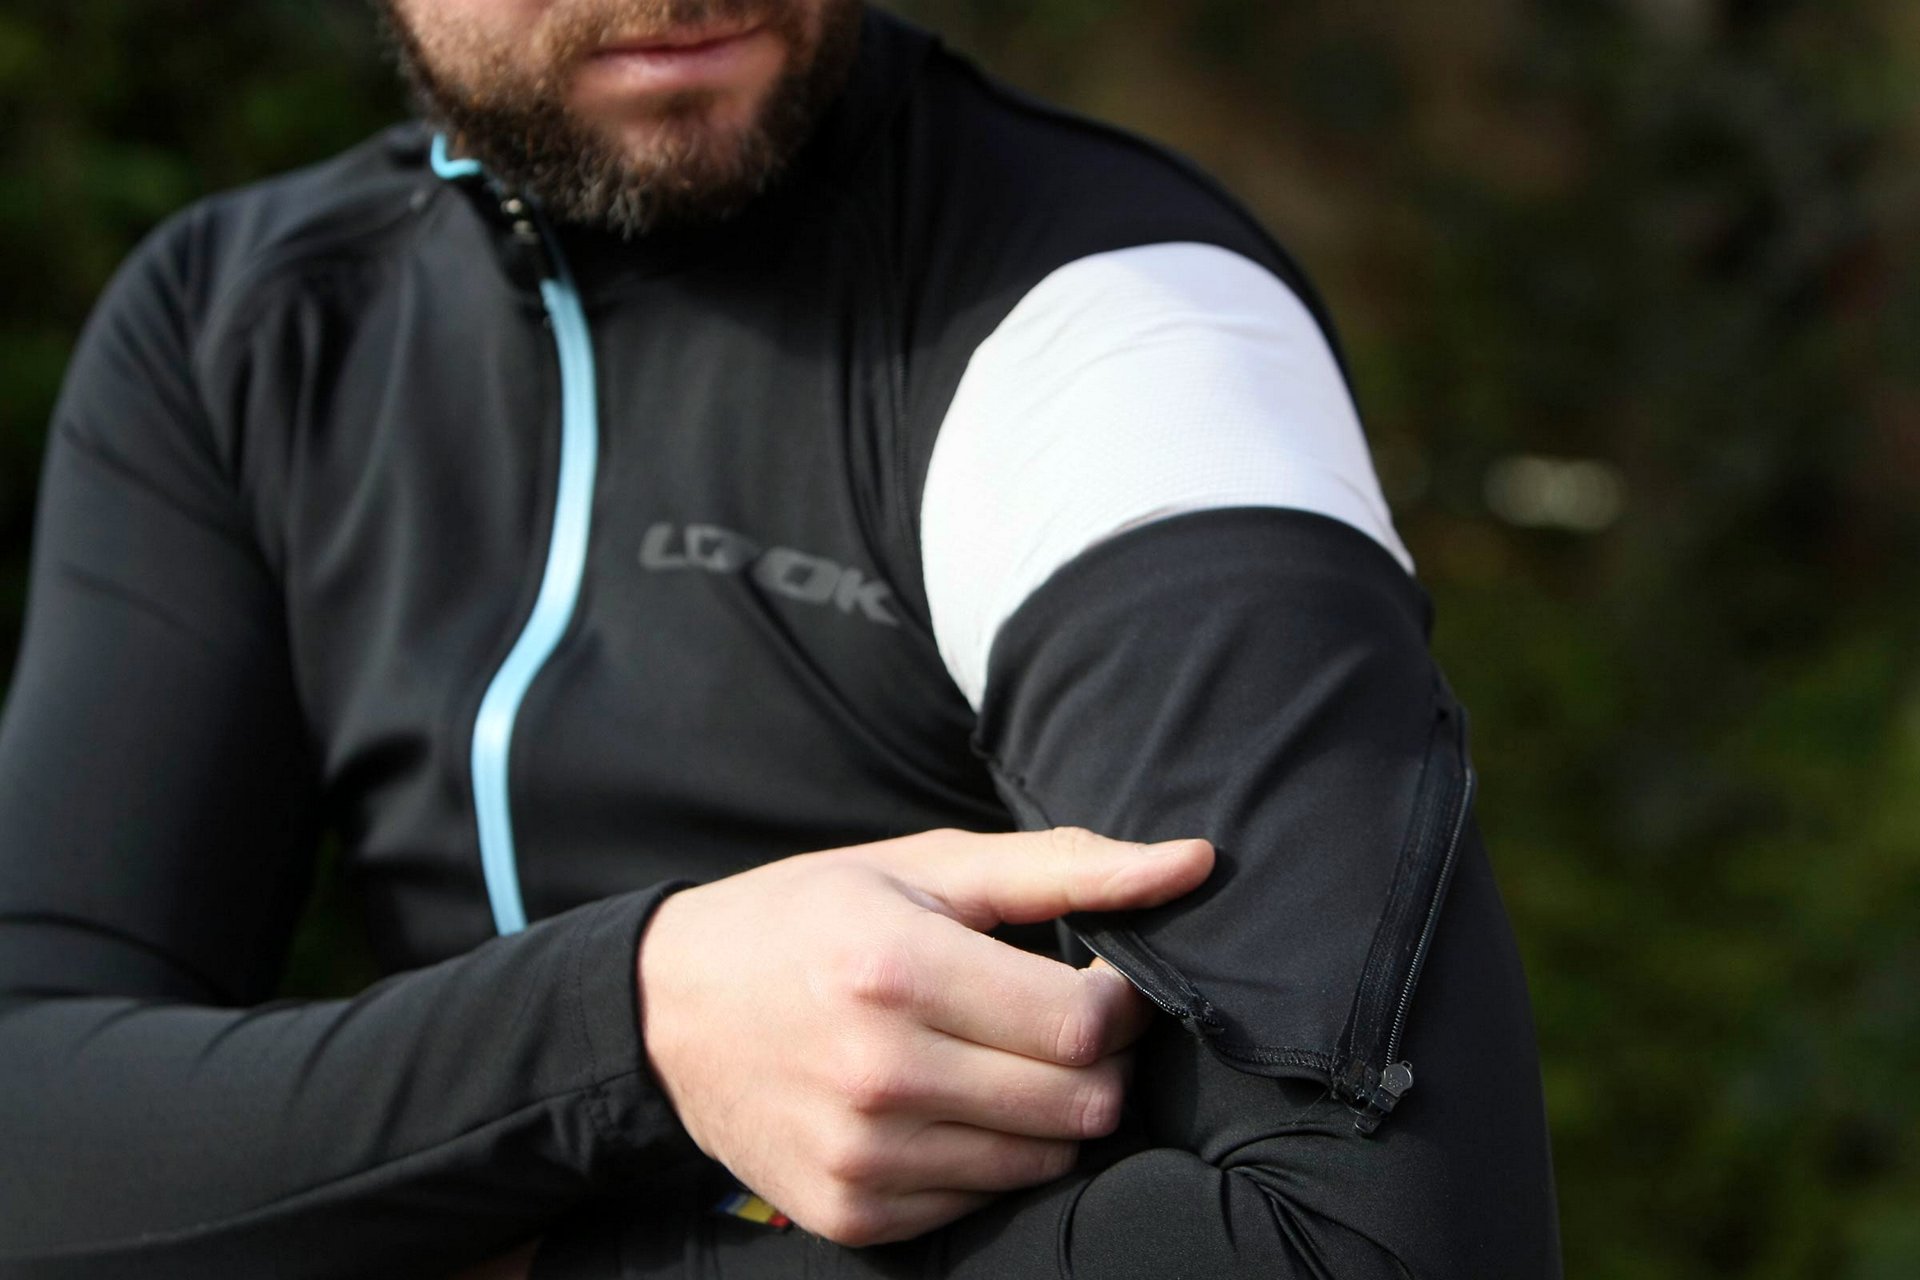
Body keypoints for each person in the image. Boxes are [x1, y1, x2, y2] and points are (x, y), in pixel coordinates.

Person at [0, 0, 1563, 1275]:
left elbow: (1378, 1251)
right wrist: (638, 1024)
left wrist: (497, 1247)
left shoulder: (1121, 330)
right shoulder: (242, 331)